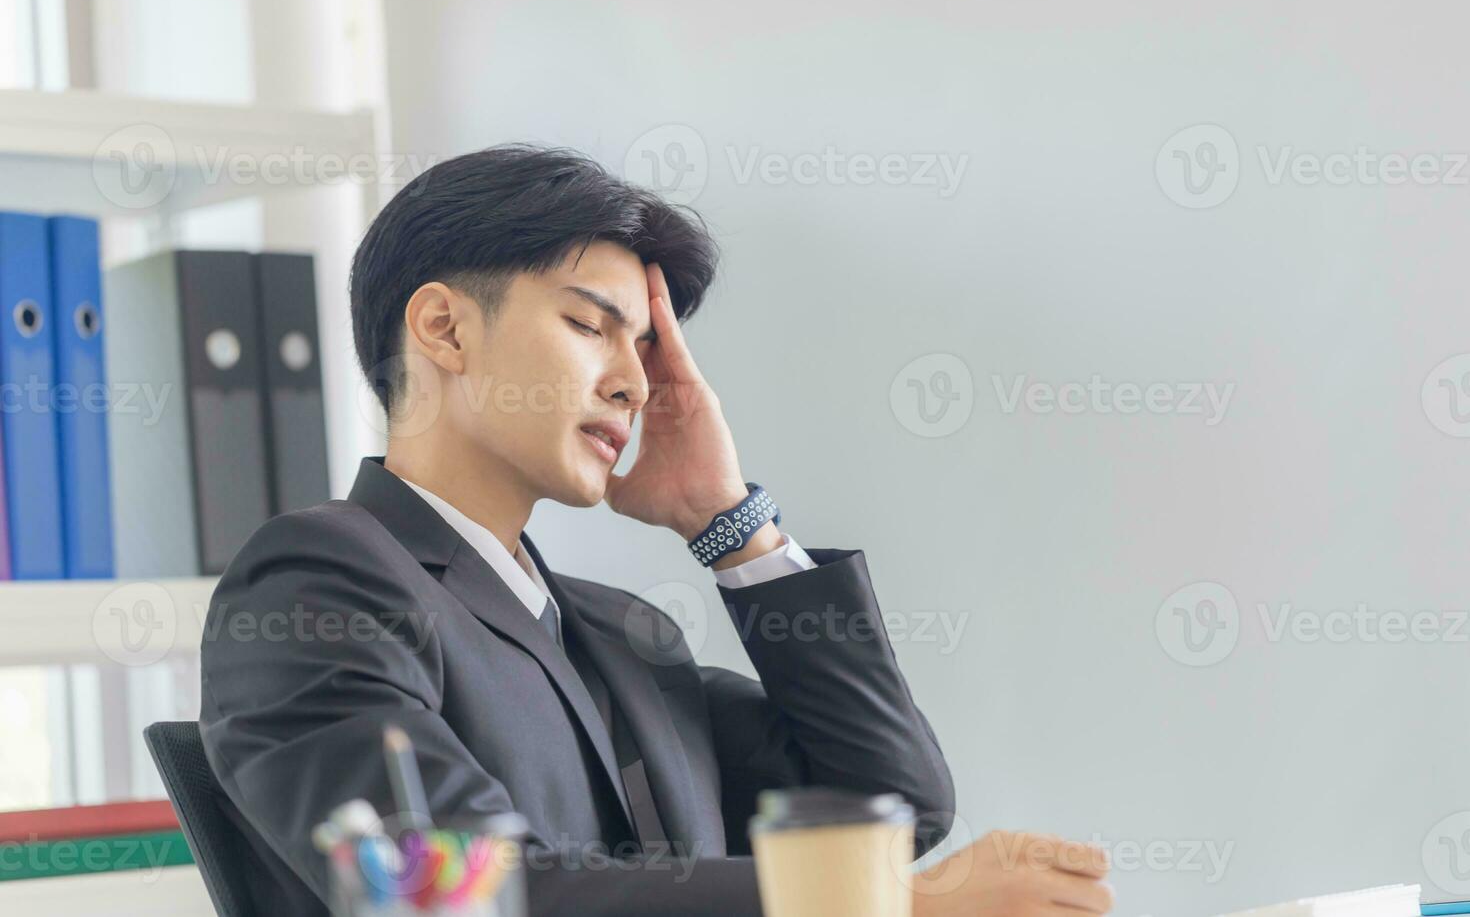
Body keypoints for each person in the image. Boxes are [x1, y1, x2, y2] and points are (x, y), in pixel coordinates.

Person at [198, 144, 1114, 916]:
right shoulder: (315, 581)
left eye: (644, 352)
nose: (635, 386)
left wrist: (731, 526)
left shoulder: (620, 633)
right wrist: (896, 906)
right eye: (589, 327)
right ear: (443, 326)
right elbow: (458, 890)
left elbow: (897, 804)